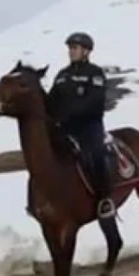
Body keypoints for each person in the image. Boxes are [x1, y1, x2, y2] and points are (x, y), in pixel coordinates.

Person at [46, 31, 115, 218]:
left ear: (86, 51)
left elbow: (95, 102)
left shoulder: (95, 73)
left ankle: (104, 199)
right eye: (70, 48)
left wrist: (69, 115)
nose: (71, 52)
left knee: (97, 154)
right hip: (66, 129)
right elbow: (51, 101)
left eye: (75, 48)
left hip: (89, 127)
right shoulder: (62, 75)